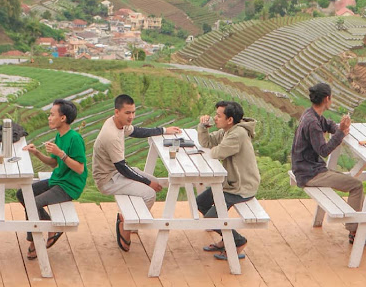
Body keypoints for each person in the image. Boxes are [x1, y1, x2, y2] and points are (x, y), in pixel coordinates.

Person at [291, 82, 366, 246]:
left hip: (307, 169)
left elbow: (326, 124)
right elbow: (323, 150)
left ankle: (363, 227)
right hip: (310, 174)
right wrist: (341, 133)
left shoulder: (311, 114)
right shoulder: (312, 123)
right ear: (327, 99)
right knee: (356, 184)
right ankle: (356, 230)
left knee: (351, 180)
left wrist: (338, 127)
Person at [92, 93, 182, 252]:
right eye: (128, 113)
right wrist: (148, 183)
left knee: (157, 181)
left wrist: (163, 130)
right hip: (108, 179)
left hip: (116, 172)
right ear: (117, 112)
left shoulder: (118, 123)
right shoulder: (111, 135)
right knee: (149, 193)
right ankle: (125, 223)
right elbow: (123, 168)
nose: (131, 116)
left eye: (133, 112)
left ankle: (131, 219)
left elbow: (136, 131)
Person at [17, 99, 87, 260]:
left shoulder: (74, 138)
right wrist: (37, 153)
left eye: (52, 114)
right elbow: (54, 162)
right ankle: (50, 224)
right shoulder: (59, 136)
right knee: (23, 194)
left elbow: (79, 168)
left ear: (63, 118)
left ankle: (34, 241)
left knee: (33, 203)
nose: (49, 118)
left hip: (69, 186)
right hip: (58, 179)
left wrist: (61, 153)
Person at [197, 100, 260, 261]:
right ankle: (226, 236)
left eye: (218, 116)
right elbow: (207, 143)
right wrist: (203, 128)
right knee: (200, 203)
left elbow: (217, 152)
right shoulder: (228, 131)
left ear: (230, 119)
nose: (215, 118)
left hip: (240, 187)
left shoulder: (237, 134)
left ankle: (237, 241)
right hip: (229, 183)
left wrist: (213, 149)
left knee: (211, 219)